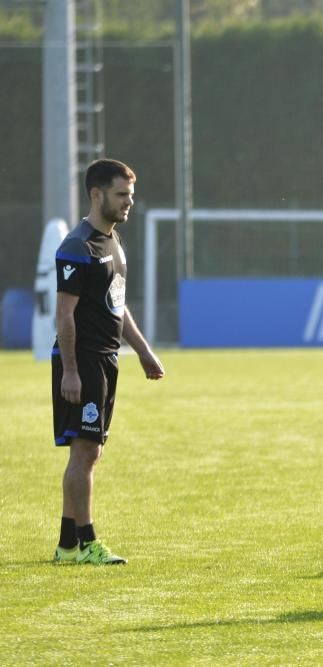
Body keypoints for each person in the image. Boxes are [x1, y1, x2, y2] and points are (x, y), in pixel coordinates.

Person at [51, 159, 165, 565]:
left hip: (105, 358)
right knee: (85, 452)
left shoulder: (113, 244)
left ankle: (67, 546)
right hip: (82, 360)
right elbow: (64, 314)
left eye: (130, 196)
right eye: (122, 195)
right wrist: (69, 370)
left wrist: (143, 350)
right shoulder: (76, 248)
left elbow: (116, 307)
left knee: (87, 452)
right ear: (96, 194)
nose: (128, 203)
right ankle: (87, 542)